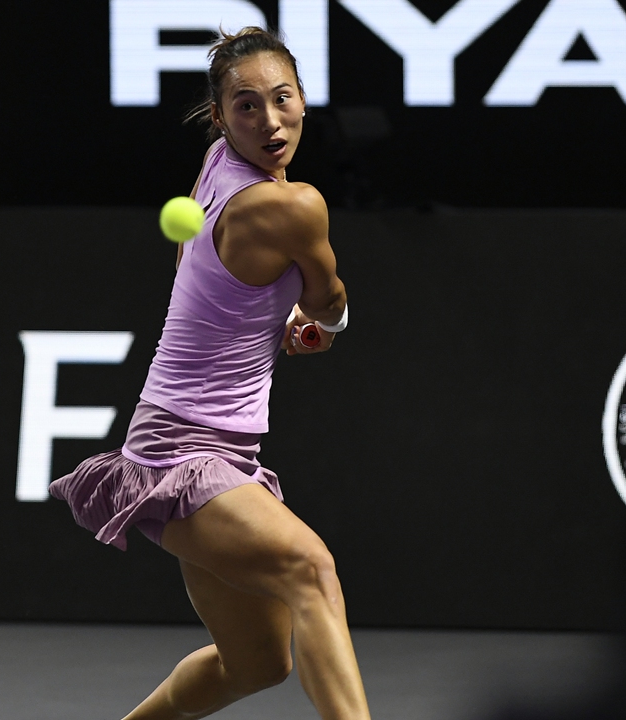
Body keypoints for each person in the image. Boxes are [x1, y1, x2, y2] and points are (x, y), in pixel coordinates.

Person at [49, 26, 371, 720]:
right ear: (222, 116)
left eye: (281, 99)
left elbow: (198, 272)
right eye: (246, 106)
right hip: (182, 451)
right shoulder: (292, 206)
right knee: (312, 572)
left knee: (255, 663)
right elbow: (330, 299)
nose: (269, 120)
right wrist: (323, 325)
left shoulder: (216, 163)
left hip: (204, 447)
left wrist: (269, 322)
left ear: (304, 100)